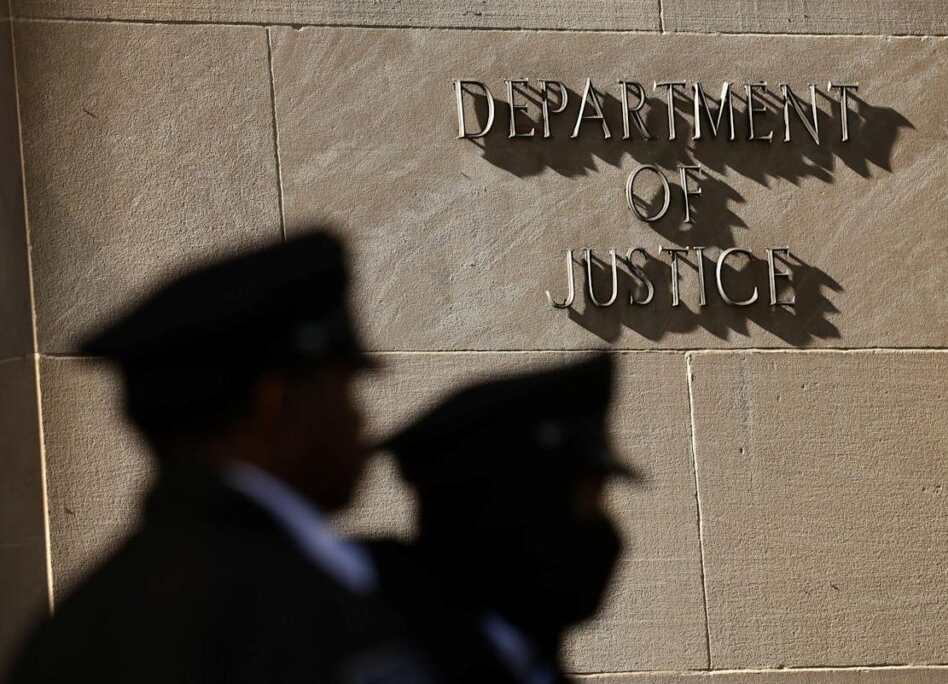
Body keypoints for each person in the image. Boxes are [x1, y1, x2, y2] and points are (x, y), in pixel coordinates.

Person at [5, 231, 435, 684]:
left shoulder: (74, 627)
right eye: (345, 391)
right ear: (275, 405)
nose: (359, 419)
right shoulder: (301, 613)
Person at [368, 354, 632, 684]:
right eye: (590, 502)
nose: (605, 531)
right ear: (524, 508)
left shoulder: (521, 661)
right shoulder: (392, 660)